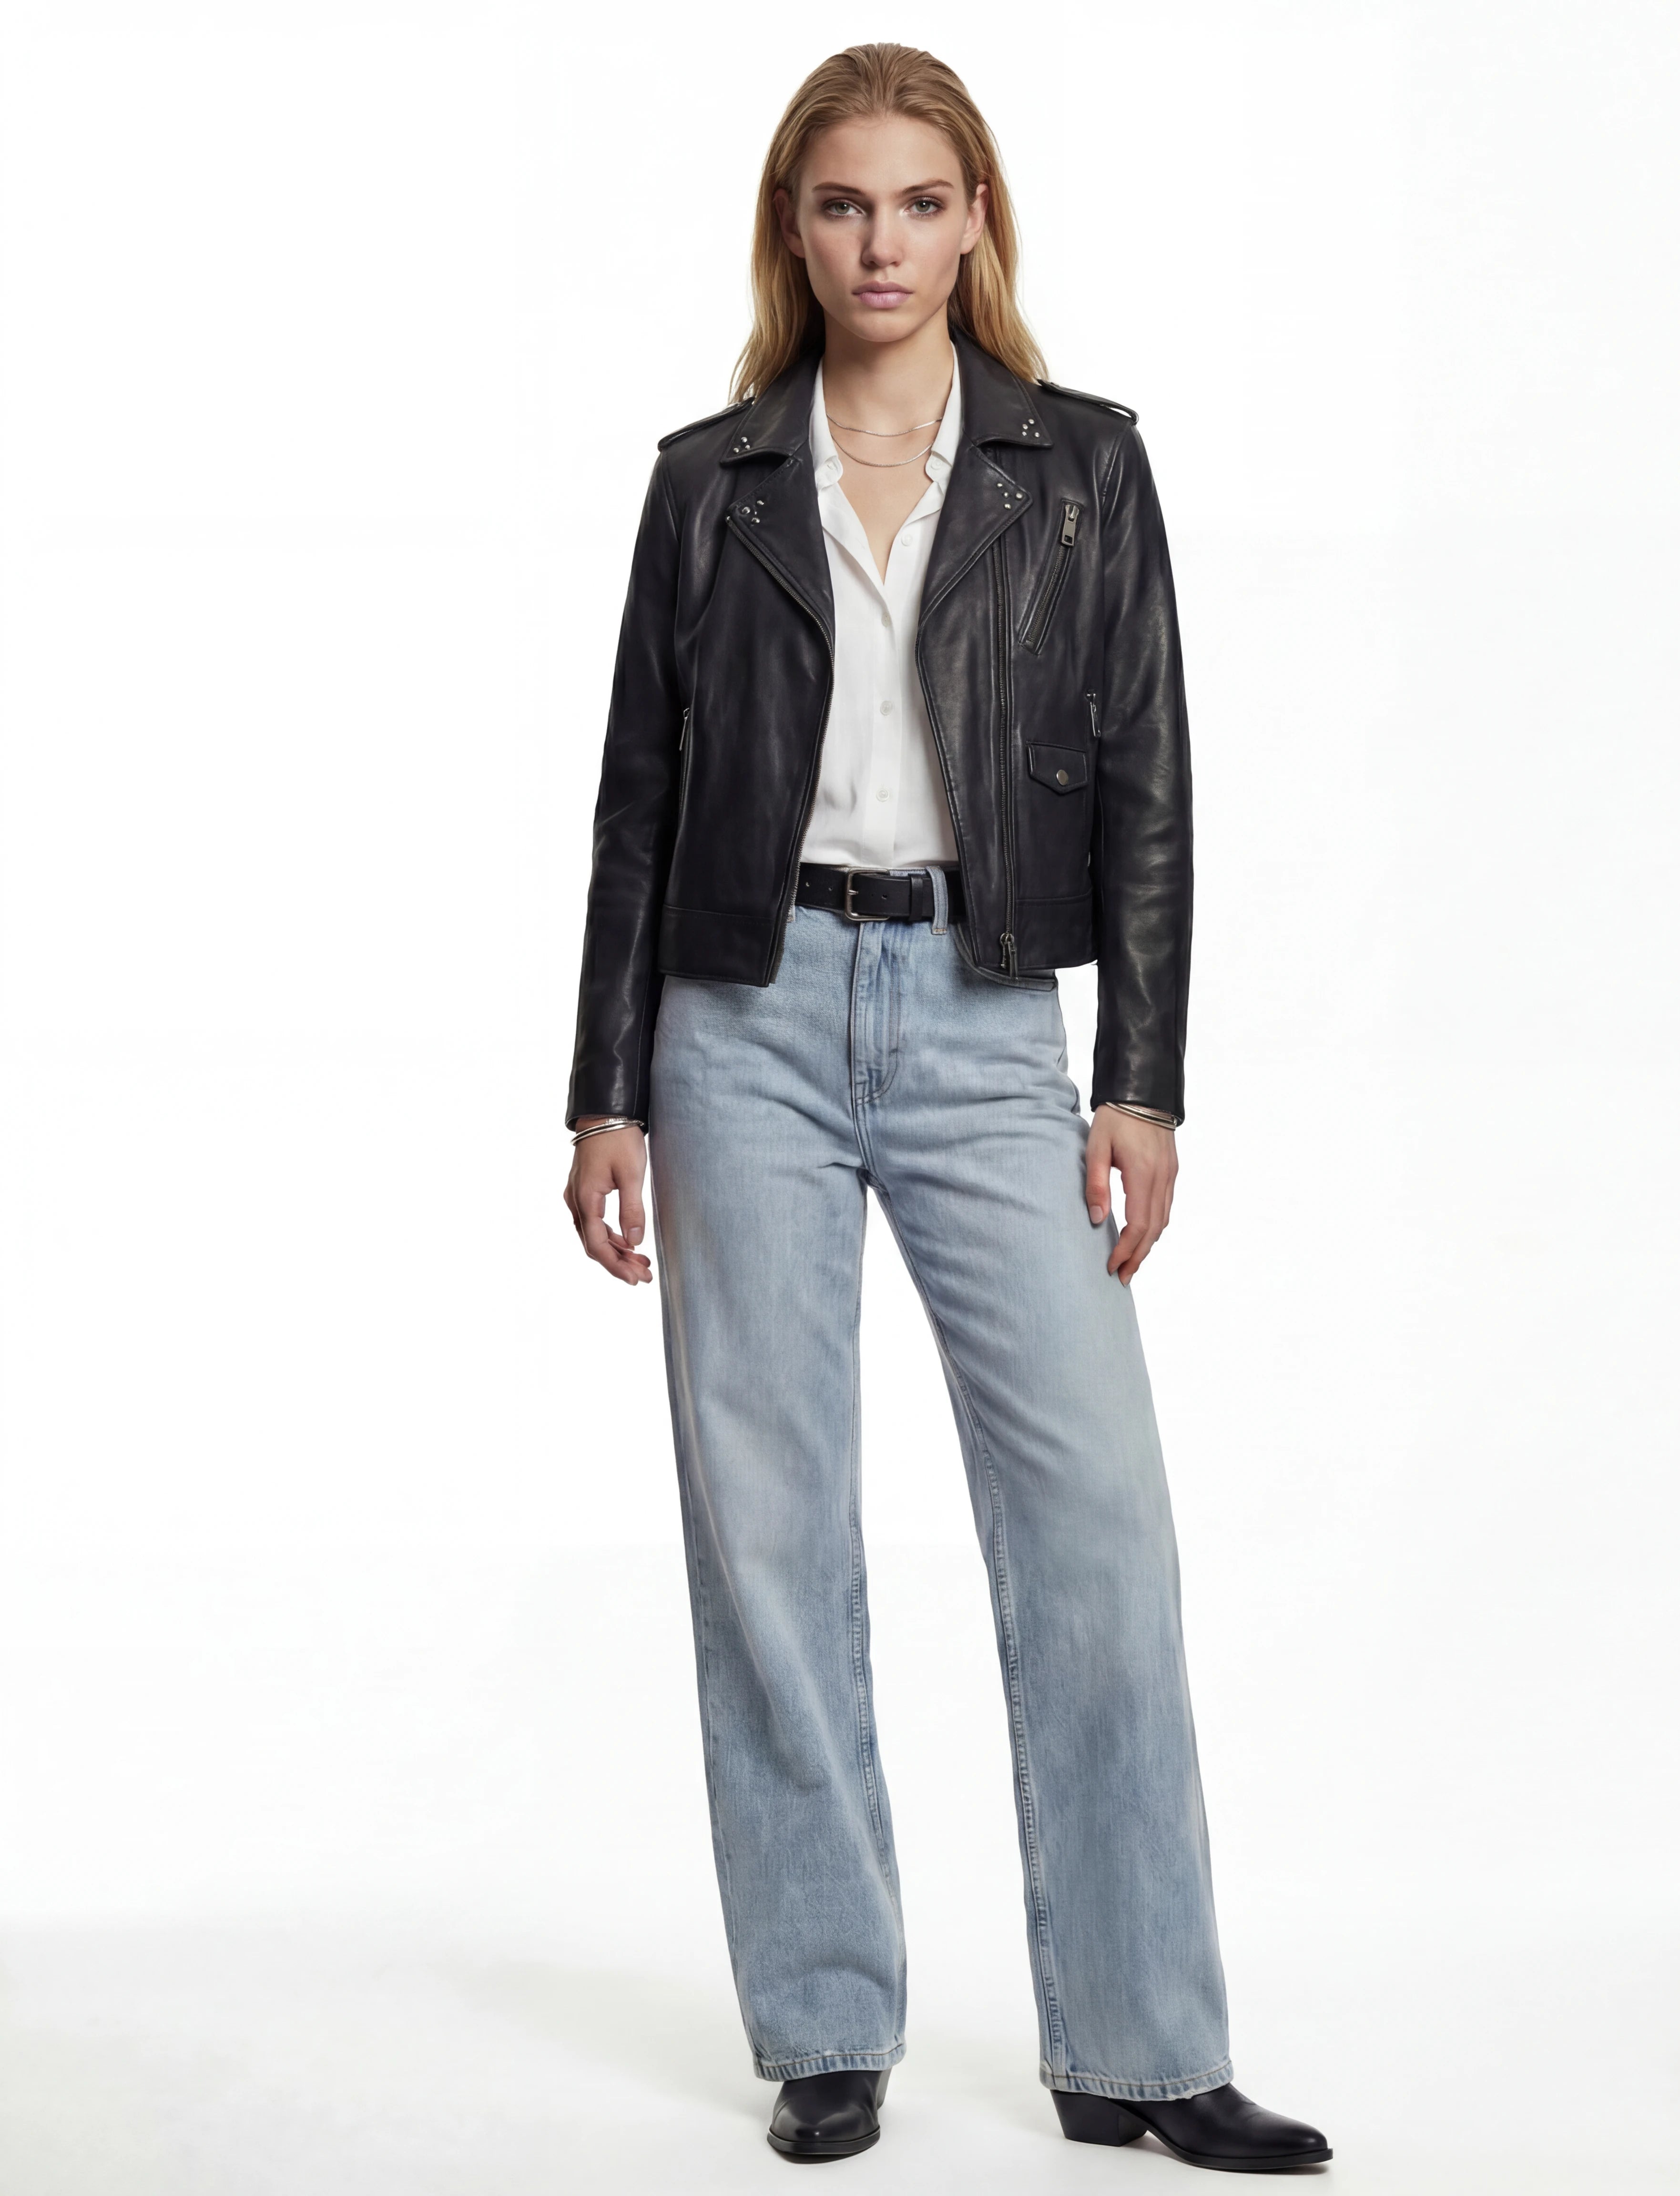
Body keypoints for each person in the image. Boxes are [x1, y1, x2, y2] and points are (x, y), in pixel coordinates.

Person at [562, 42, 1331, 2173]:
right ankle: (825, 2020)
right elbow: (635, 805)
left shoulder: (1078, 467)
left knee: (1095, 1523)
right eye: (843, 204)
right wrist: (605, 1089)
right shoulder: (711, 483)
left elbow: (1152, 779)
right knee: (770, 1528)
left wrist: (1142, 1075)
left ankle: (1142, 2048)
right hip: (740, 1015)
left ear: (976, 218)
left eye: (920, 201)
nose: (882, 243)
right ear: (793, 230)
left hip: (992, 1019)